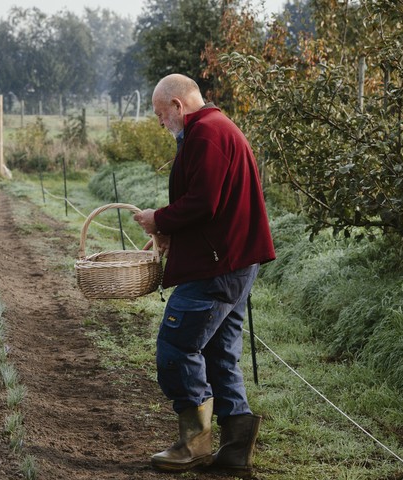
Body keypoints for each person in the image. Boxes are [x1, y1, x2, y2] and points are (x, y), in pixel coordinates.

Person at [133, 74, 276, 474]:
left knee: (176, 349)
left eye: (162, 115)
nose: (161, 124)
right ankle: (233, 452)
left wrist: (157, 219)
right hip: (232, 261)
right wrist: (169, 233)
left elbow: (204, 202)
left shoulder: (207, 134)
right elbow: (211, 205)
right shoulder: (215, 129)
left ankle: (193, 444)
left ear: (178, 106)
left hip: (217, 268)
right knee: (219, 355)